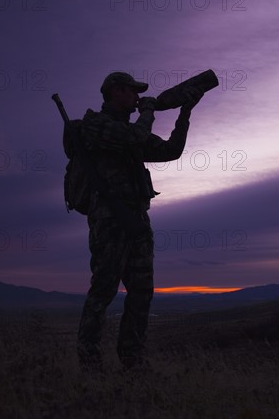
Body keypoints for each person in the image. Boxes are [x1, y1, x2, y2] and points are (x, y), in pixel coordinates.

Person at [76, 72, 203, 372]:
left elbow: (171, 150)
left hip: (136, 221)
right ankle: (89, 362)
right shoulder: (96, 126)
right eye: (133, 92)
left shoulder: (130, 129)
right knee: (104, 289)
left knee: (142, 289)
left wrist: (185, 111)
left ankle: (132, 358)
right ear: (115, 91)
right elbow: (133, 137)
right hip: (109, 220)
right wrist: (147, 111)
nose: (137, 98)